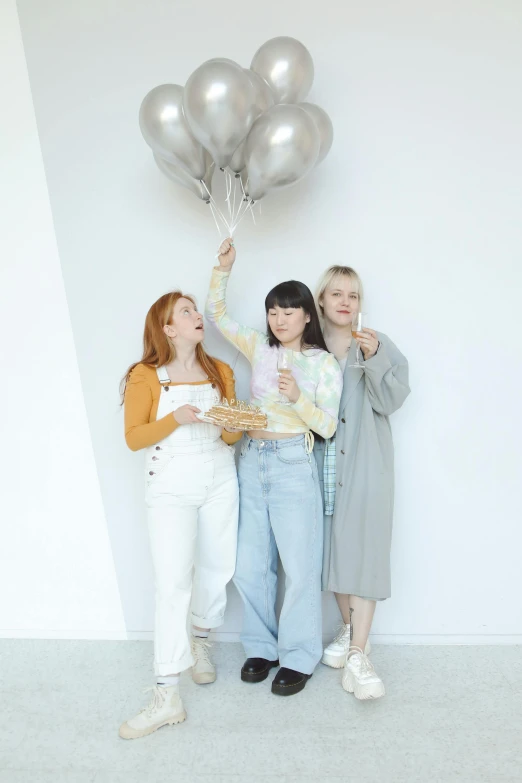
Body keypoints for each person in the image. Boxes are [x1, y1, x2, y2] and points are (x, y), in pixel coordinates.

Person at [206, 238, 343, 696]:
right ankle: (261, 648)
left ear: (308, 315)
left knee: (300, 567)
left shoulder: (323, 364)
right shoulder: (258, 347)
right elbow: (218, 316)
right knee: (250, 565)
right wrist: (223, 269)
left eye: (288, 311)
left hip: (291, 462)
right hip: (252, 459)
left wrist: (297, 398)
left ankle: (299, 656)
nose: (279, 320)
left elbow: (325, 427)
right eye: (272, 312)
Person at [118, 289, 241, 739]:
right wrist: (179, 419)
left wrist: (231, 428)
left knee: (218, 565)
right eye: (185, 312)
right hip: (170, 483)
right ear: (167, 328)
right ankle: (166, 692)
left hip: (220, 478)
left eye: (195, 309)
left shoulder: (221, 371)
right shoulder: (145, 375)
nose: (197, 316)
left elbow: (230, 439)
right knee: (172, 582)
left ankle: (202, 642)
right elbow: (134, 437)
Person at [314, 265, 410, 700]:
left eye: (353, 295)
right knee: (333, 551)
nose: (345, 301)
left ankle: (357, 654)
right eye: (336, 293)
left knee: (365, 549)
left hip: (366, 463)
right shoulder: (308, 346)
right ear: (321, 299)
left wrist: (373, 361)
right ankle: (354, 631)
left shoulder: (375, 344)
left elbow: (391, 401)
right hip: (320, 462)